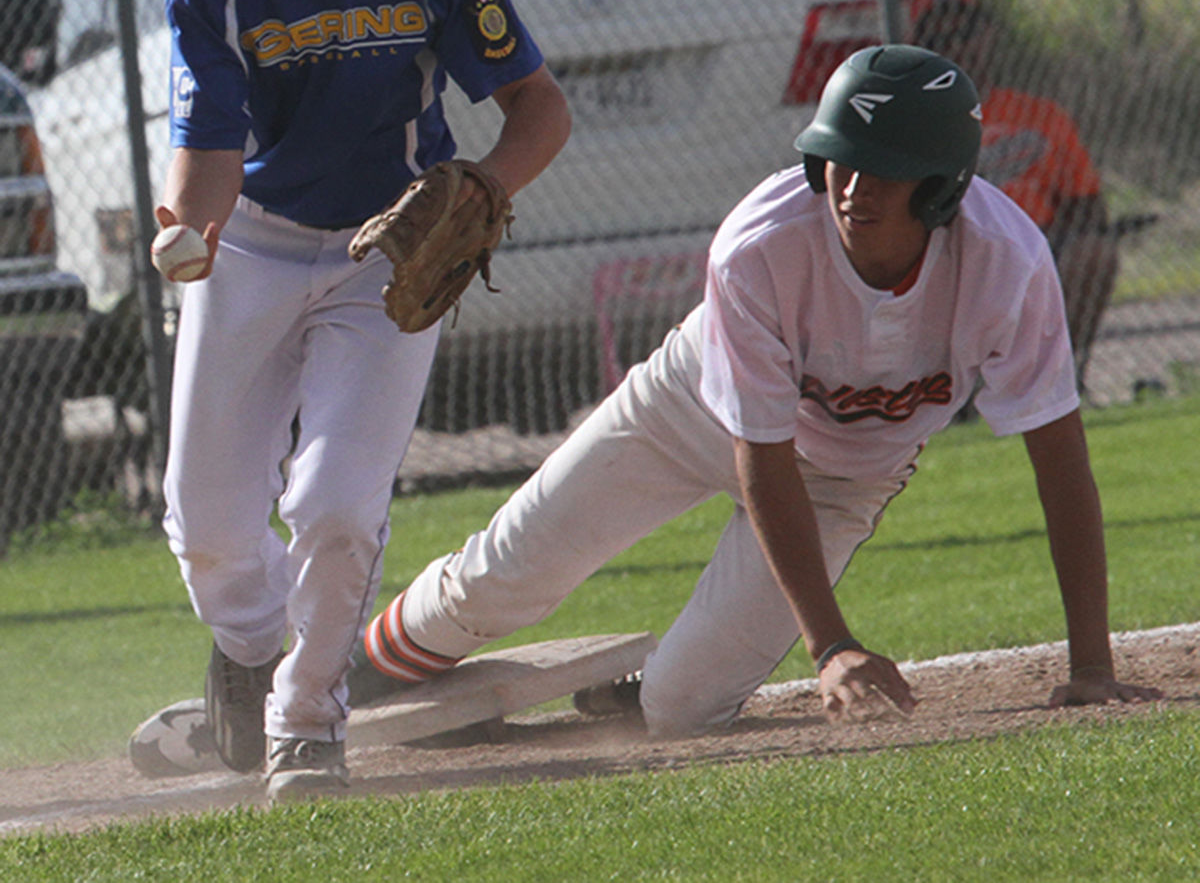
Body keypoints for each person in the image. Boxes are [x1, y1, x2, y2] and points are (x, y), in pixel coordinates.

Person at [362, 44, 1160, 737]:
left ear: (942, 187)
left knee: (681, 708)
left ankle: (637, 696)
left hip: (848, 476)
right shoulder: (761, 243)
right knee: (507, 572)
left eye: (886, 170)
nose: (853, 187)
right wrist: (830, 643)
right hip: (693, 410)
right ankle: (333, 678)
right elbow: (762, 451)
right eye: (841, 157)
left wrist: (1091, 662)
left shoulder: (1006, 264)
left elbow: (1060, 460)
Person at [156, 0, 570, 803]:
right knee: (206, 524)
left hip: (387, 252)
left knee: (337, 503)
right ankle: (250, 654)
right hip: (250, 242)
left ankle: (306, 720)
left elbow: (538, 107)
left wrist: (484, 186)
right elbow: (208, 155)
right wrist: (190, 226)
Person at [910, 0, 1120, 387]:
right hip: (953, 251)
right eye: (940, 40)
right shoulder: (914, 122)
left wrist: (1036, 244)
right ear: (920, 48)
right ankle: (961, 393)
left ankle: (1051, 381)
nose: (956, 47)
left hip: (1040, 243)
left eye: (966, 33)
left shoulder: (1039, 115)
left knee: (1095, 253)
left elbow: (1089, 207)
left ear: (988, 35)